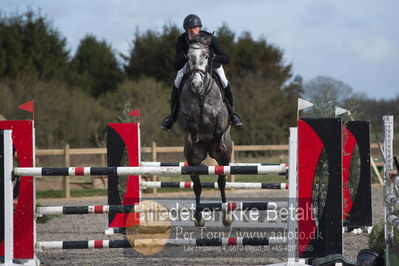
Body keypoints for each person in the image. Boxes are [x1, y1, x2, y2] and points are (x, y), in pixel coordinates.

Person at [161, 14, 242, 132]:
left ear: (199, 28)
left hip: (210, 65)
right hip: (190, 65)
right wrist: (186, 56)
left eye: (194, 27)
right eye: (189, 28)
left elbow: (226, 58)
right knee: (177, 82)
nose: (192, 30)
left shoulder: (209, 38)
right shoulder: (181, 40)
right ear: (186, 29)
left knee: (224, 81)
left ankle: (232, 114)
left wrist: (213, 56)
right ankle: (172, 117)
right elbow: (177, 64)